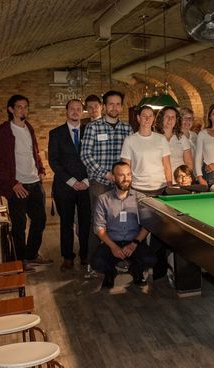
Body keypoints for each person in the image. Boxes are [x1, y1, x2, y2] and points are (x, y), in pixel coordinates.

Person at [0, 95, 50, 267]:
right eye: (19, 107)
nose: (23, 110)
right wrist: (13, 183)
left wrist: (41, 169)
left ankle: (31, 255)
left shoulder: (29, 128)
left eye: (26, 107)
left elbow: (34, 152)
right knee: (19, 226)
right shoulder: (4, 130)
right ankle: (19, 261)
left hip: (35, 183)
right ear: (11, 109)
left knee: (39, 221)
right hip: (18, 185)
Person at [80, 90, 133, 276]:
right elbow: (85, 155)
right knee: (98, 223)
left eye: (118, 104)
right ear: (104, 106)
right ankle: (92, 263)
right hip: (100, 182)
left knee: (121, 222)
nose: (114, 107)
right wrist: (107, 174)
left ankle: (119, 260)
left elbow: (131, 156)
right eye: (111, 104)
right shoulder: (93, 127)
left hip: (121, 184)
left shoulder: (127, 129)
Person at [92, 162, 156, 289]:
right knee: (96, 262)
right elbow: (99, 228)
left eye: (128, 174)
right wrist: (113, 247)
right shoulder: (103, 199)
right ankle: (110, 272)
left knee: (151, 259)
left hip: (134, 241)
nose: (126, 178)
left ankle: (135, 270)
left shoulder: (140, 198)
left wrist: (134, 244)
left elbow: (147, 225)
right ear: (113, 177)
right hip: (111, 242)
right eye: (121, 175)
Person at [48, 99, 91, 271]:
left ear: (82, 112)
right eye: (72, 109)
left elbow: (94, 156)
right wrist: (72, 181)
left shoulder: (89, 130)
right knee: (66, 223)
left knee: (86, 222)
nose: (75, 111)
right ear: (66, 111)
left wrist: (86, 181)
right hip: (64, 186)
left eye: (78, 109)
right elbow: (53, 161)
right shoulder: (55, 133)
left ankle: (85, 254)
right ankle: (67, 256)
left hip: (86, 185)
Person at [120, 105, 172, 195]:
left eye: (150, 116)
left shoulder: (161, 139)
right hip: (138, 188)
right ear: (138, 118)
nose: (147, 119)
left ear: (153, 119)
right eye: (144, 116)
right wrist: (127, 186)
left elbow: (167, 166)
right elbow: (126, 167)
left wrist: (170, 185)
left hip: (160, 187)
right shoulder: (129, 140)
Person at [155, 106, 193, 172]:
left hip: (179, 177)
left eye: (173, 117)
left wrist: (186, 176)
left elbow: (188, 163)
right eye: (167, 116)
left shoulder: (181, 138)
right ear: (161, 118)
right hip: (159, 176)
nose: (170, 119)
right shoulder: (154, 137)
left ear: (176, 120)